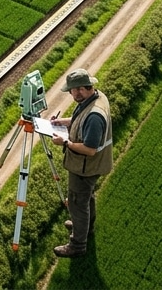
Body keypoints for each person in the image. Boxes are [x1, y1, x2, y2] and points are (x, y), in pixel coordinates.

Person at [49, 68, 112, 258]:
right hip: (91, 166)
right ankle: (86, 227)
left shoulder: (94, 116)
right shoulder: (95, 98)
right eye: (71, 90)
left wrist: (65, 142)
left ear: (87, 87)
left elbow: (90, 149)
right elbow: (79, 119)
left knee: (77, 203)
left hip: (85, 167)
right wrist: (62, 122)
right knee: (87, 198)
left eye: (77, 90)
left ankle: (77, 245)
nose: (73, 94)